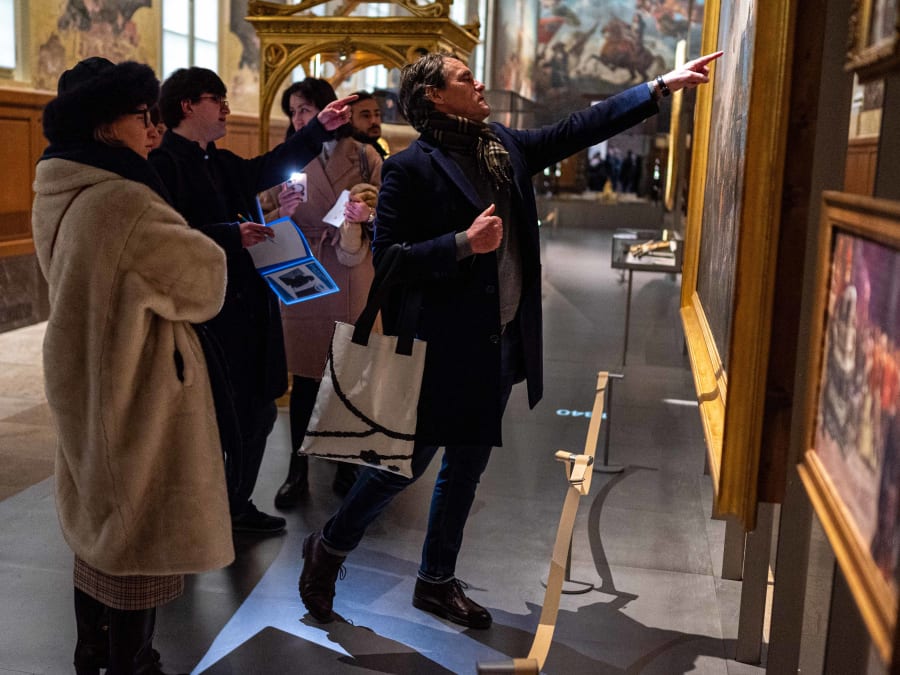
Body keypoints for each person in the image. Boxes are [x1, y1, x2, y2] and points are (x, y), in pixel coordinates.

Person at [299, 49, 723, 628]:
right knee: (400, 467)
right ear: (433, 97)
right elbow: (390, 258)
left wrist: (658, 88)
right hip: (438, 350)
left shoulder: (500, 145)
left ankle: (435, 581)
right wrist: (461, 244)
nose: (479, 83)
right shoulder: (409, 168)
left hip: (497, 344)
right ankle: (328, 549)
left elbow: (579, 127)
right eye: (463, 78)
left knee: (465, 470)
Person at [32, 57, 232, 674]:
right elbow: (205, 281)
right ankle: (132, 662)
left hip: (84, 375)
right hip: (134, 389)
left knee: (97, 529)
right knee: (139, 543)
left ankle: (91, 651)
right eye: (140, 117)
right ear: (103, 124)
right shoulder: (125, 201)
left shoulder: (57, 185)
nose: (152, 129)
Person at [149, 67, 356, 536]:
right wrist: (231, 234)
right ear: (187, 106)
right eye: (217, 99)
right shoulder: (164, 166)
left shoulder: (219, 162)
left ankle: (232, 503)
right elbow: (163, 239)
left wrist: (317, 131)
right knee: (212, 419)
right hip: (206, 315)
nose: (225, 107)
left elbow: (267, 166)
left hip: (247, 309)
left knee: (259, 409)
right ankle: (207, 508)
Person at [260, 78, 383, 508]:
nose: (299, 118)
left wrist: (367, 213)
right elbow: (259, 213)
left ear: (330, 109)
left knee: (347, 372)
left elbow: (388, 213)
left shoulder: (366, 155)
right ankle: (297, 471)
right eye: (293, 111)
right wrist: (280, 210)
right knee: (307, 376)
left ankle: (345, 463)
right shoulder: (285, 157)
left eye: (306, 109)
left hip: (351, 268)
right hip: (304, 267)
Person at [349, 90, 390, 159]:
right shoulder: (344, 156)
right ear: (350, 120)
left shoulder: (379, 150)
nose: (373, 121)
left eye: (377, 114)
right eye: (366, 116)